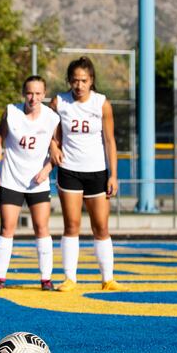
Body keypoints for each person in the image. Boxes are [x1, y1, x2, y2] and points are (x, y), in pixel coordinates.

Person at [49, 57, 127, 292]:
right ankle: (70, 278)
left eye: (84, 80)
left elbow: (110, 141)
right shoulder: (59, 102)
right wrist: (53, 147)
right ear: (69, 81)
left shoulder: (101, 103)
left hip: (97, 172)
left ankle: (107, 278)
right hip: (69, 170)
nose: (79, 85)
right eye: (75, 80)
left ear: (91, 80)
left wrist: (113, 175)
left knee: (101, 227)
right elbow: (50, 133)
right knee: (71, 225)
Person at [0, 75, 59, 291]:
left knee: (41, 227)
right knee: (7, 227)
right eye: (29, 93)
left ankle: (46, 279)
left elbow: (58, 149)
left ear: (44, 95)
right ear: (23, 93)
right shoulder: (11, 112)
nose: (33, 98)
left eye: (38, 93)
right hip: (11, 179)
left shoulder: (52, 118)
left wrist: (47, 170)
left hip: (38, 182)